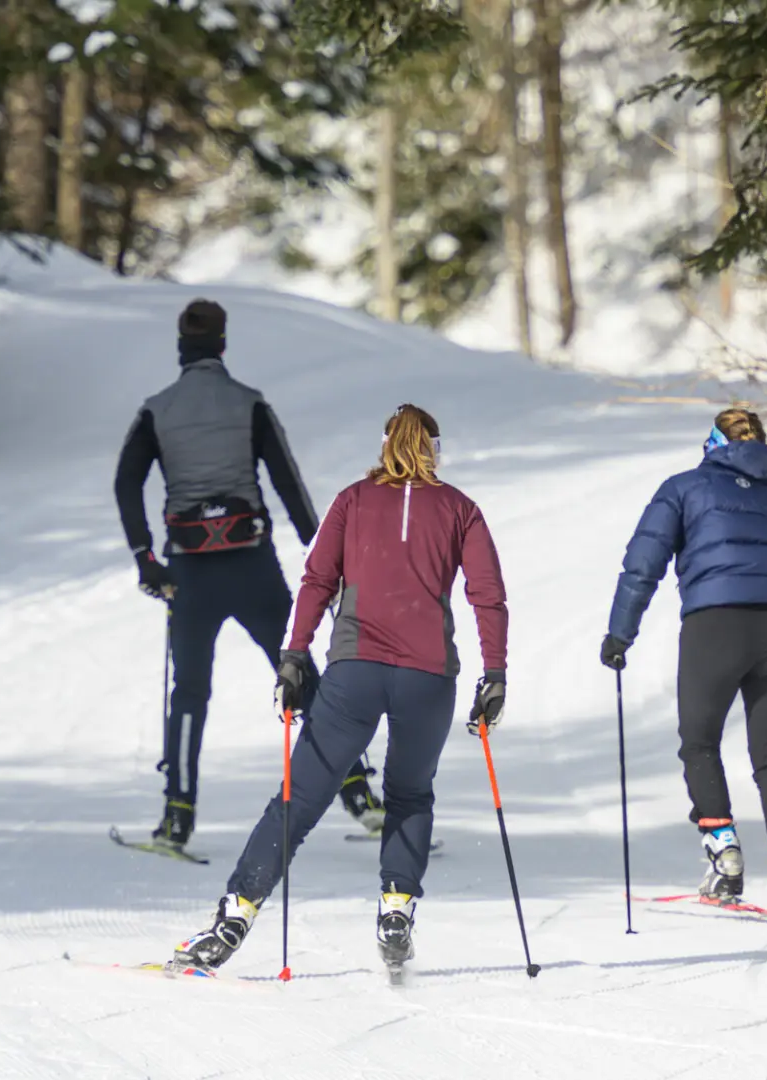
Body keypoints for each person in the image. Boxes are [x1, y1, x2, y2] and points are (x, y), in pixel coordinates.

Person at [173, 404, 509, 972]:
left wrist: (293, 655)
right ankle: (397, 907)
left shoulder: (354, 499)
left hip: (355, 671)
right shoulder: (460, 509)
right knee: (410, 795)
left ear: (384, 446)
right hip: (429, 679)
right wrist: (494, 674)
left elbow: (317, 579)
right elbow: (487, 595)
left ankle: (236, 914)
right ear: (435, 450)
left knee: (298, 800)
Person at [114, 298, 384, 850]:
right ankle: (361, 798)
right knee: (303, 677)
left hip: (190, 573)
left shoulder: (156, 410)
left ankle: (177, 820)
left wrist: (146, 558)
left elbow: (126, 483)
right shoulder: (249, 405)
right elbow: (290, 486)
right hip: (252, 565)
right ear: (222, 345)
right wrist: (326, 560)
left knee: (188, 692)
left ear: (181, 348)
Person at [598, 408, 767, 916]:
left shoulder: (684, 488)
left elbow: (643, 563)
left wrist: (621, 633)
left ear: (710, 443)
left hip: (714, 628)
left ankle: (724, 855)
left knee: (699, 742)